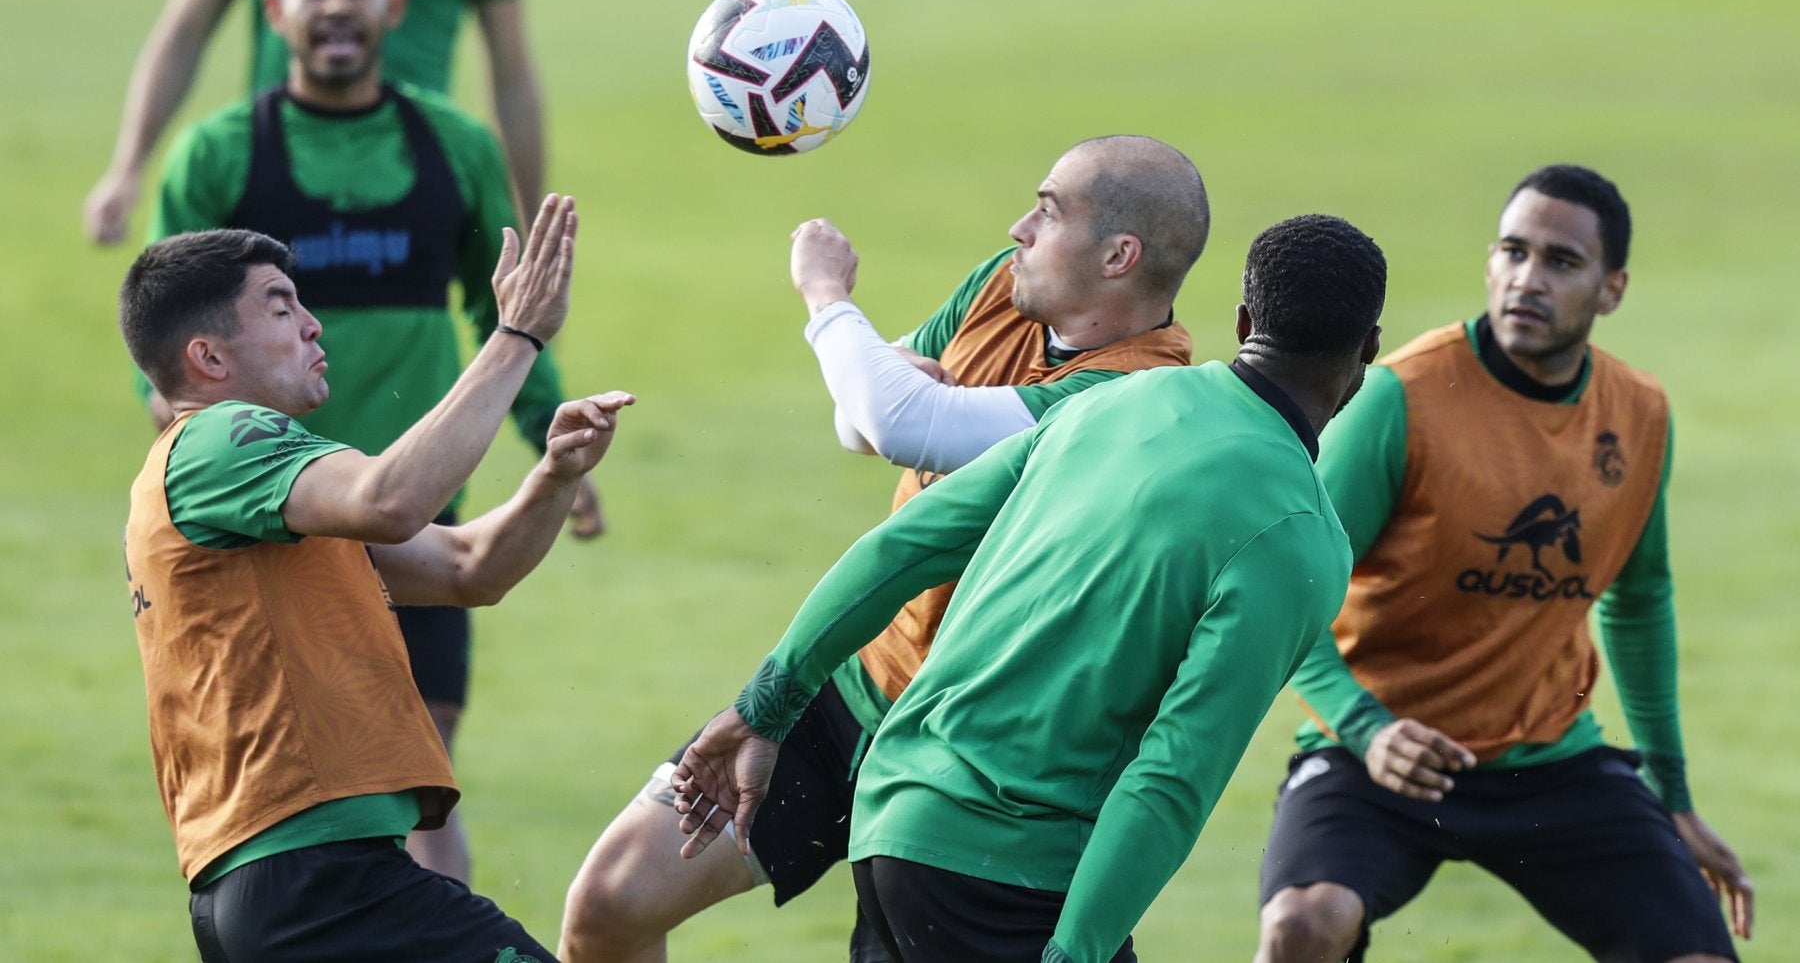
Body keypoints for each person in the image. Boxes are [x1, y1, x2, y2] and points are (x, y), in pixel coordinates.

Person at [670, 214, 1389, 963]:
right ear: (1368, 349)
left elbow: (902, 547)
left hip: (891, 816)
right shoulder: (1302, 537)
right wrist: (1077, 950)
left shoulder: (1115, 401)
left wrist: (766, 707)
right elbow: (1175, 770)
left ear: (1244, 321)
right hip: (1009, 870)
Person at [558, 135, 1205, 963]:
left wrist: (826, 294)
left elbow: (896, 416)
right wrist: (886, 391)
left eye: (1047, 211)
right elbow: (863, 416)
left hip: (969, 759)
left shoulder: (1130, 393)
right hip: (852, 686)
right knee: (610, 902)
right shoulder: (1005, 290)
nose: (1018, 227)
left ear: (1119, 255)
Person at [134, 0, 598, 883]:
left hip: (418, 495)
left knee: (415, 764)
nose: (336, 5)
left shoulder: (455, 148)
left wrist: (550, 451)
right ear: (274, 11)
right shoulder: (218, 156)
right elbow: (170, 365)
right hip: (273, 515)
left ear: (395, 7)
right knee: (294, 785)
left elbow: (498, 304)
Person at [1254, 165, 1754, 963]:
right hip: (1379, 752)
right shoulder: (1400, 397)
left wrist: (1676, 798)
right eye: (1514, 252)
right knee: (1302, 927)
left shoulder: (1638, 413)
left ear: (1613, 287)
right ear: (1490, 261)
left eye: (1560, 261)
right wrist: (1365, 728)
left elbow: (1640, 597)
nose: (1528, 279)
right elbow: (1282, 594)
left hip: (1550, 759)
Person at [118, 200, 629, 961]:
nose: (313, 324)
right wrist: (515, 338)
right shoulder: (219, 437)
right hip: (315, 882)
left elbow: (467, 568)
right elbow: (390, 499)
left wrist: (552, 476)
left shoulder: (249, 494)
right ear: (210, 359)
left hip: (288, 888)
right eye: (280, 306)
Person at [85, 0, 543, 245]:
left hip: (412, 173)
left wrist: (528, 232)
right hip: (276, 166)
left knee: (405, 338)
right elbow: (186, 29)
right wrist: (127, 167)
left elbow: (511, 75)